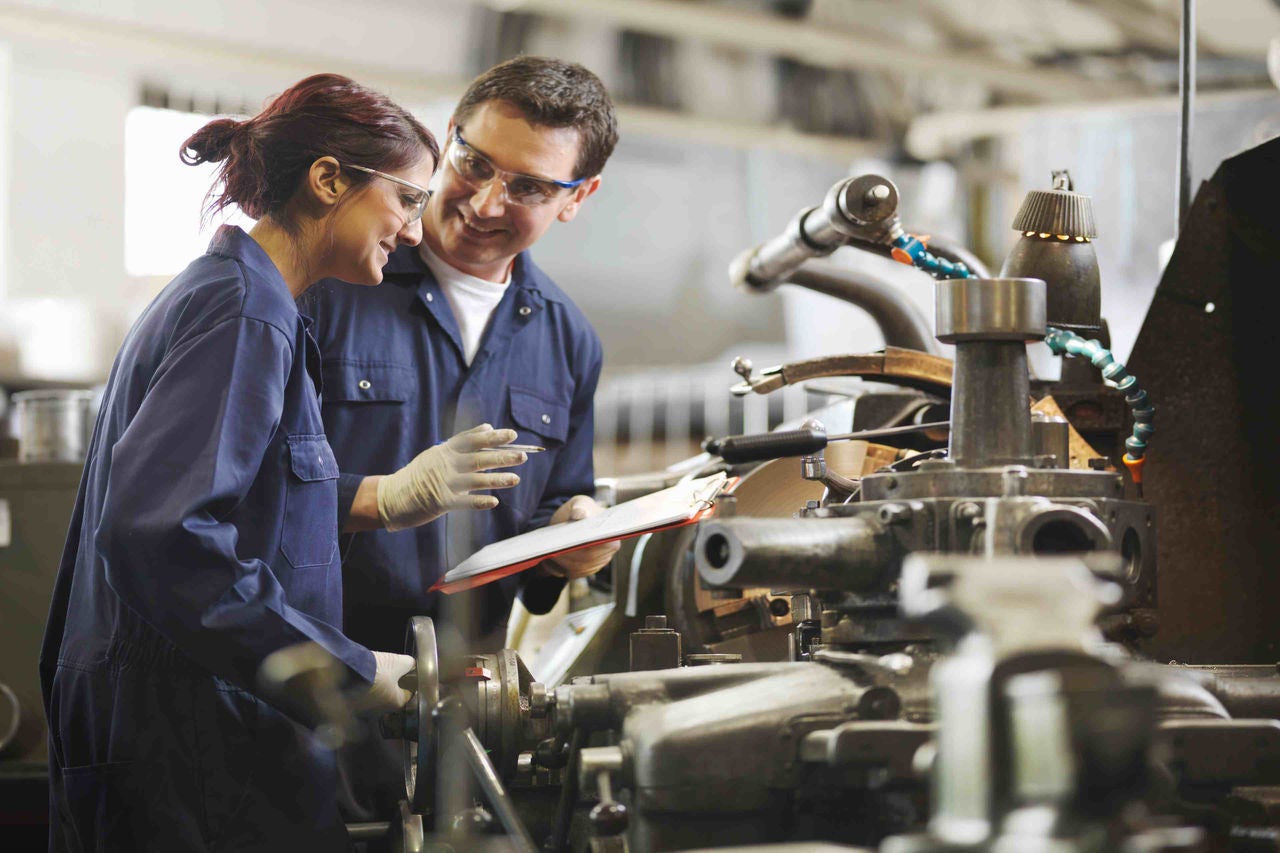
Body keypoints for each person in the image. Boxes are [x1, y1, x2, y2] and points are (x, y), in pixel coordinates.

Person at [39, 73, 528, 852]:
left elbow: (237, 495)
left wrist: (382, 496)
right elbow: (159, 533)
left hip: (194, 729)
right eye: (405, 198)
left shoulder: (242, 301)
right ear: (329, 179)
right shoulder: (243, 312)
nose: (413, 229)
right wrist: (346, 669)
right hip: (192, 740)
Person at [303, 56, 620, 818]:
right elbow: (251, 491)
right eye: (473, 162)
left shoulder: (569, 340)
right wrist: (384, 496)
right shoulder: (337, 282)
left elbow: (553, 527)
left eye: (529, 187)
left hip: (471, 710)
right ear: (447, 137)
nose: (484, 201)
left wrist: (571, 539)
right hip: (313, 688)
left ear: (578, 198)